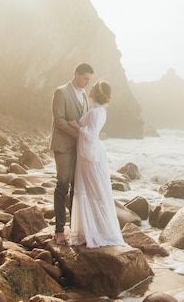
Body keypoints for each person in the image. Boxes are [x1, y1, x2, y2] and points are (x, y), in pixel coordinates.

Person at [68, 81, 126, 247]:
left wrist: (76, 126)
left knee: (93, 191)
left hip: (90, 156)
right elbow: (95, 132)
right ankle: (91, 230)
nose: (90, 88)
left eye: (93, 87)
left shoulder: (96, 112)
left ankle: (99, 232)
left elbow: (91, 134)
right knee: (91, 190)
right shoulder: (98, 111)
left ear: (97, 93)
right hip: (89, 152)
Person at [50, 62, 94, 245]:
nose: (87, 82)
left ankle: (75, 229)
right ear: (76, 74)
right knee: (63, 185)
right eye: (85, 78)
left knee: (77, 187)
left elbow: (84, 120)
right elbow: (59, 120)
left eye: (89, 79)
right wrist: (79, 134)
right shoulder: (61, 92)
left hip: (79, 148)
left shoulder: (84, 95)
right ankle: (59, 231)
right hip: (64, 146)